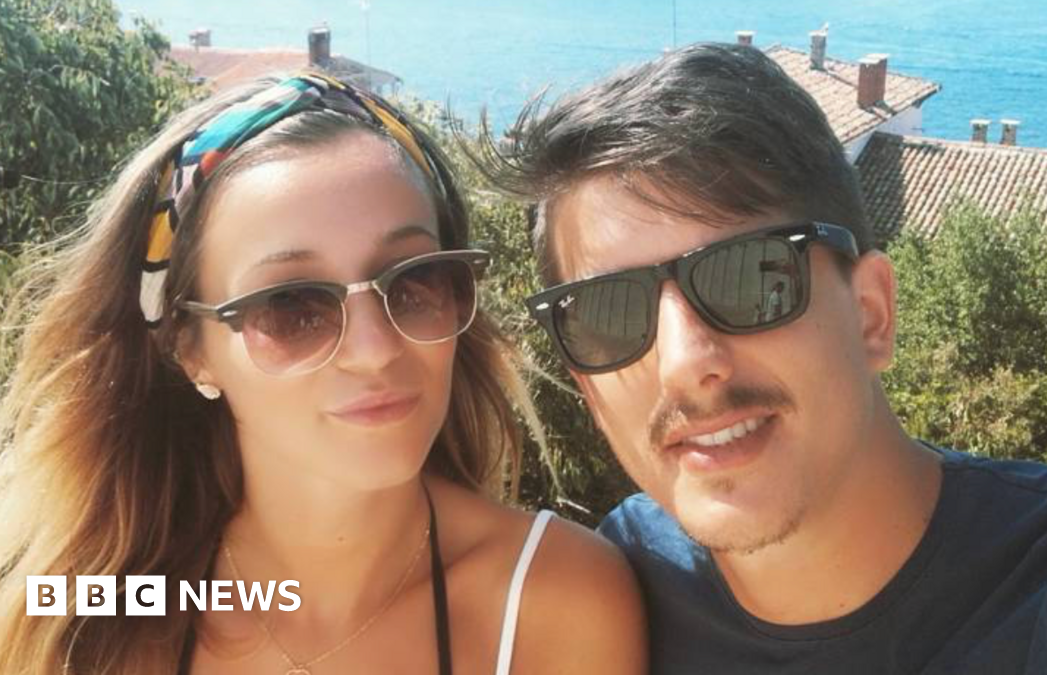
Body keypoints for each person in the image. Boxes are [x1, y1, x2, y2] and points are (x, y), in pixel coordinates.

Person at [481, 43, 1047, 673]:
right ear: (585, 383)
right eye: (610, 312)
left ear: (871, 314)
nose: (683, 362)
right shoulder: (602, 603)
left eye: (753, 276)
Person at [0, 73, 645, 675]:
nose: (373, 349)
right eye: (291, 307)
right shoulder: (83, 624)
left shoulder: (552, 601)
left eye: (414, 280)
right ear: (188, 349)